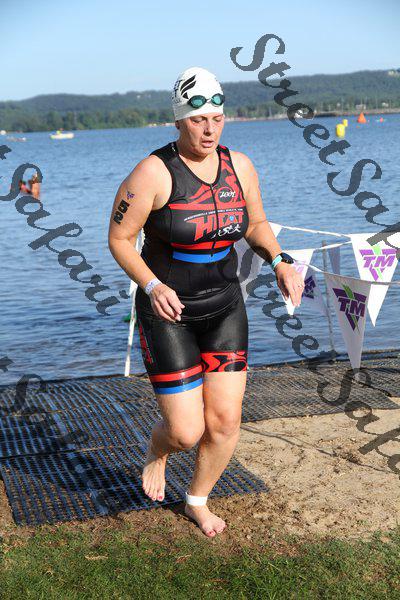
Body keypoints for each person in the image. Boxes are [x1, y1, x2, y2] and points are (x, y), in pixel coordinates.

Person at [108, 66, 304, 538]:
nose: (210, 129)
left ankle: (197, 499)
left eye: (217, 118)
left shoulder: (241, 167)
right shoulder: (153, 172)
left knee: (225, 421)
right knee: (185, 432)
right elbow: (119, 238)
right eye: (198, 120)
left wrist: (280, 260)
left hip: (224, 308)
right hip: (168, 312)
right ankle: (159, 449)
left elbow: (256, 224)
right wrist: (152, 286)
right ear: (179, 120)